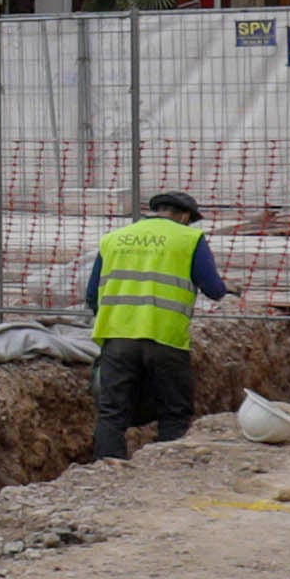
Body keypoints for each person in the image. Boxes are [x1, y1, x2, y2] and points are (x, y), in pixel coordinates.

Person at [85, 190, 223, 460]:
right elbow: (214, 289)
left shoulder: (114, 239)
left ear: (157, 210)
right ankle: (166, 467)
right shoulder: (189, 238)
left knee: (112, 411)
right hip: (165, 338)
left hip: (117, 336)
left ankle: (107, 468)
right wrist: (226, 288)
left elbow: (92, 295)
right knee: (174, 409)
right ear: (184, 217)